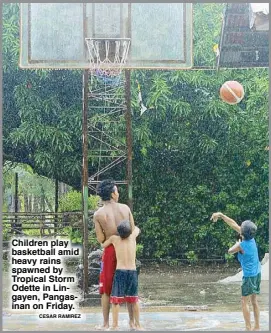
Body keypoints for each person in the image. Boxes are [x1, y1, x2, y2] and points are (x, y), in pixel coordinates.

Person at [93, 179, 135, 330]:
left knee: (106, 289)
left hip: (111, 250)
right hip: (127, 249)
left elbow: (100, 239)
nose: (118, 193)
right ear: (112, 194)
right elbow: (133, 228)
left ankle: (106, 323)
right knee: (130, 287)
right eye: (117, 190)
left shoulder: (99, 214)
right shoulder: (125, 208)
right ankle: (132, 322)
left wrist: (111, 237)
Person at [210, 212, 261, 331]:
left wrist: (237, 243)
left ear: (242, 233)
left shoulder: (241, 245)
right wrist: (221, 215)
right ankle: (257, 326)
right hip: (257, 272)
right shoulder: (251, 239)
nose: (239, 227)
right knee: (254, 300)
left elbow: (229, 251)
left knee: (244, 302)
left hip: (249, 277)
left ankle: (248, 328)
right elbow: (233, 224)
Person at [102, 220, 142, 330]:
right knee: (134, 300)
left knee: (115, 300)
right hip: (132, 272)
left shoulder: (114, 239)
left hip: (120, 272)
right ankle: (137, 325)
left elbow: (103, 244)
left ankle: (115, 325)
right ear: (129, 232)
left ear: (119, 232)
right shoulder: (133, 236)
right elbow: (137, 229)